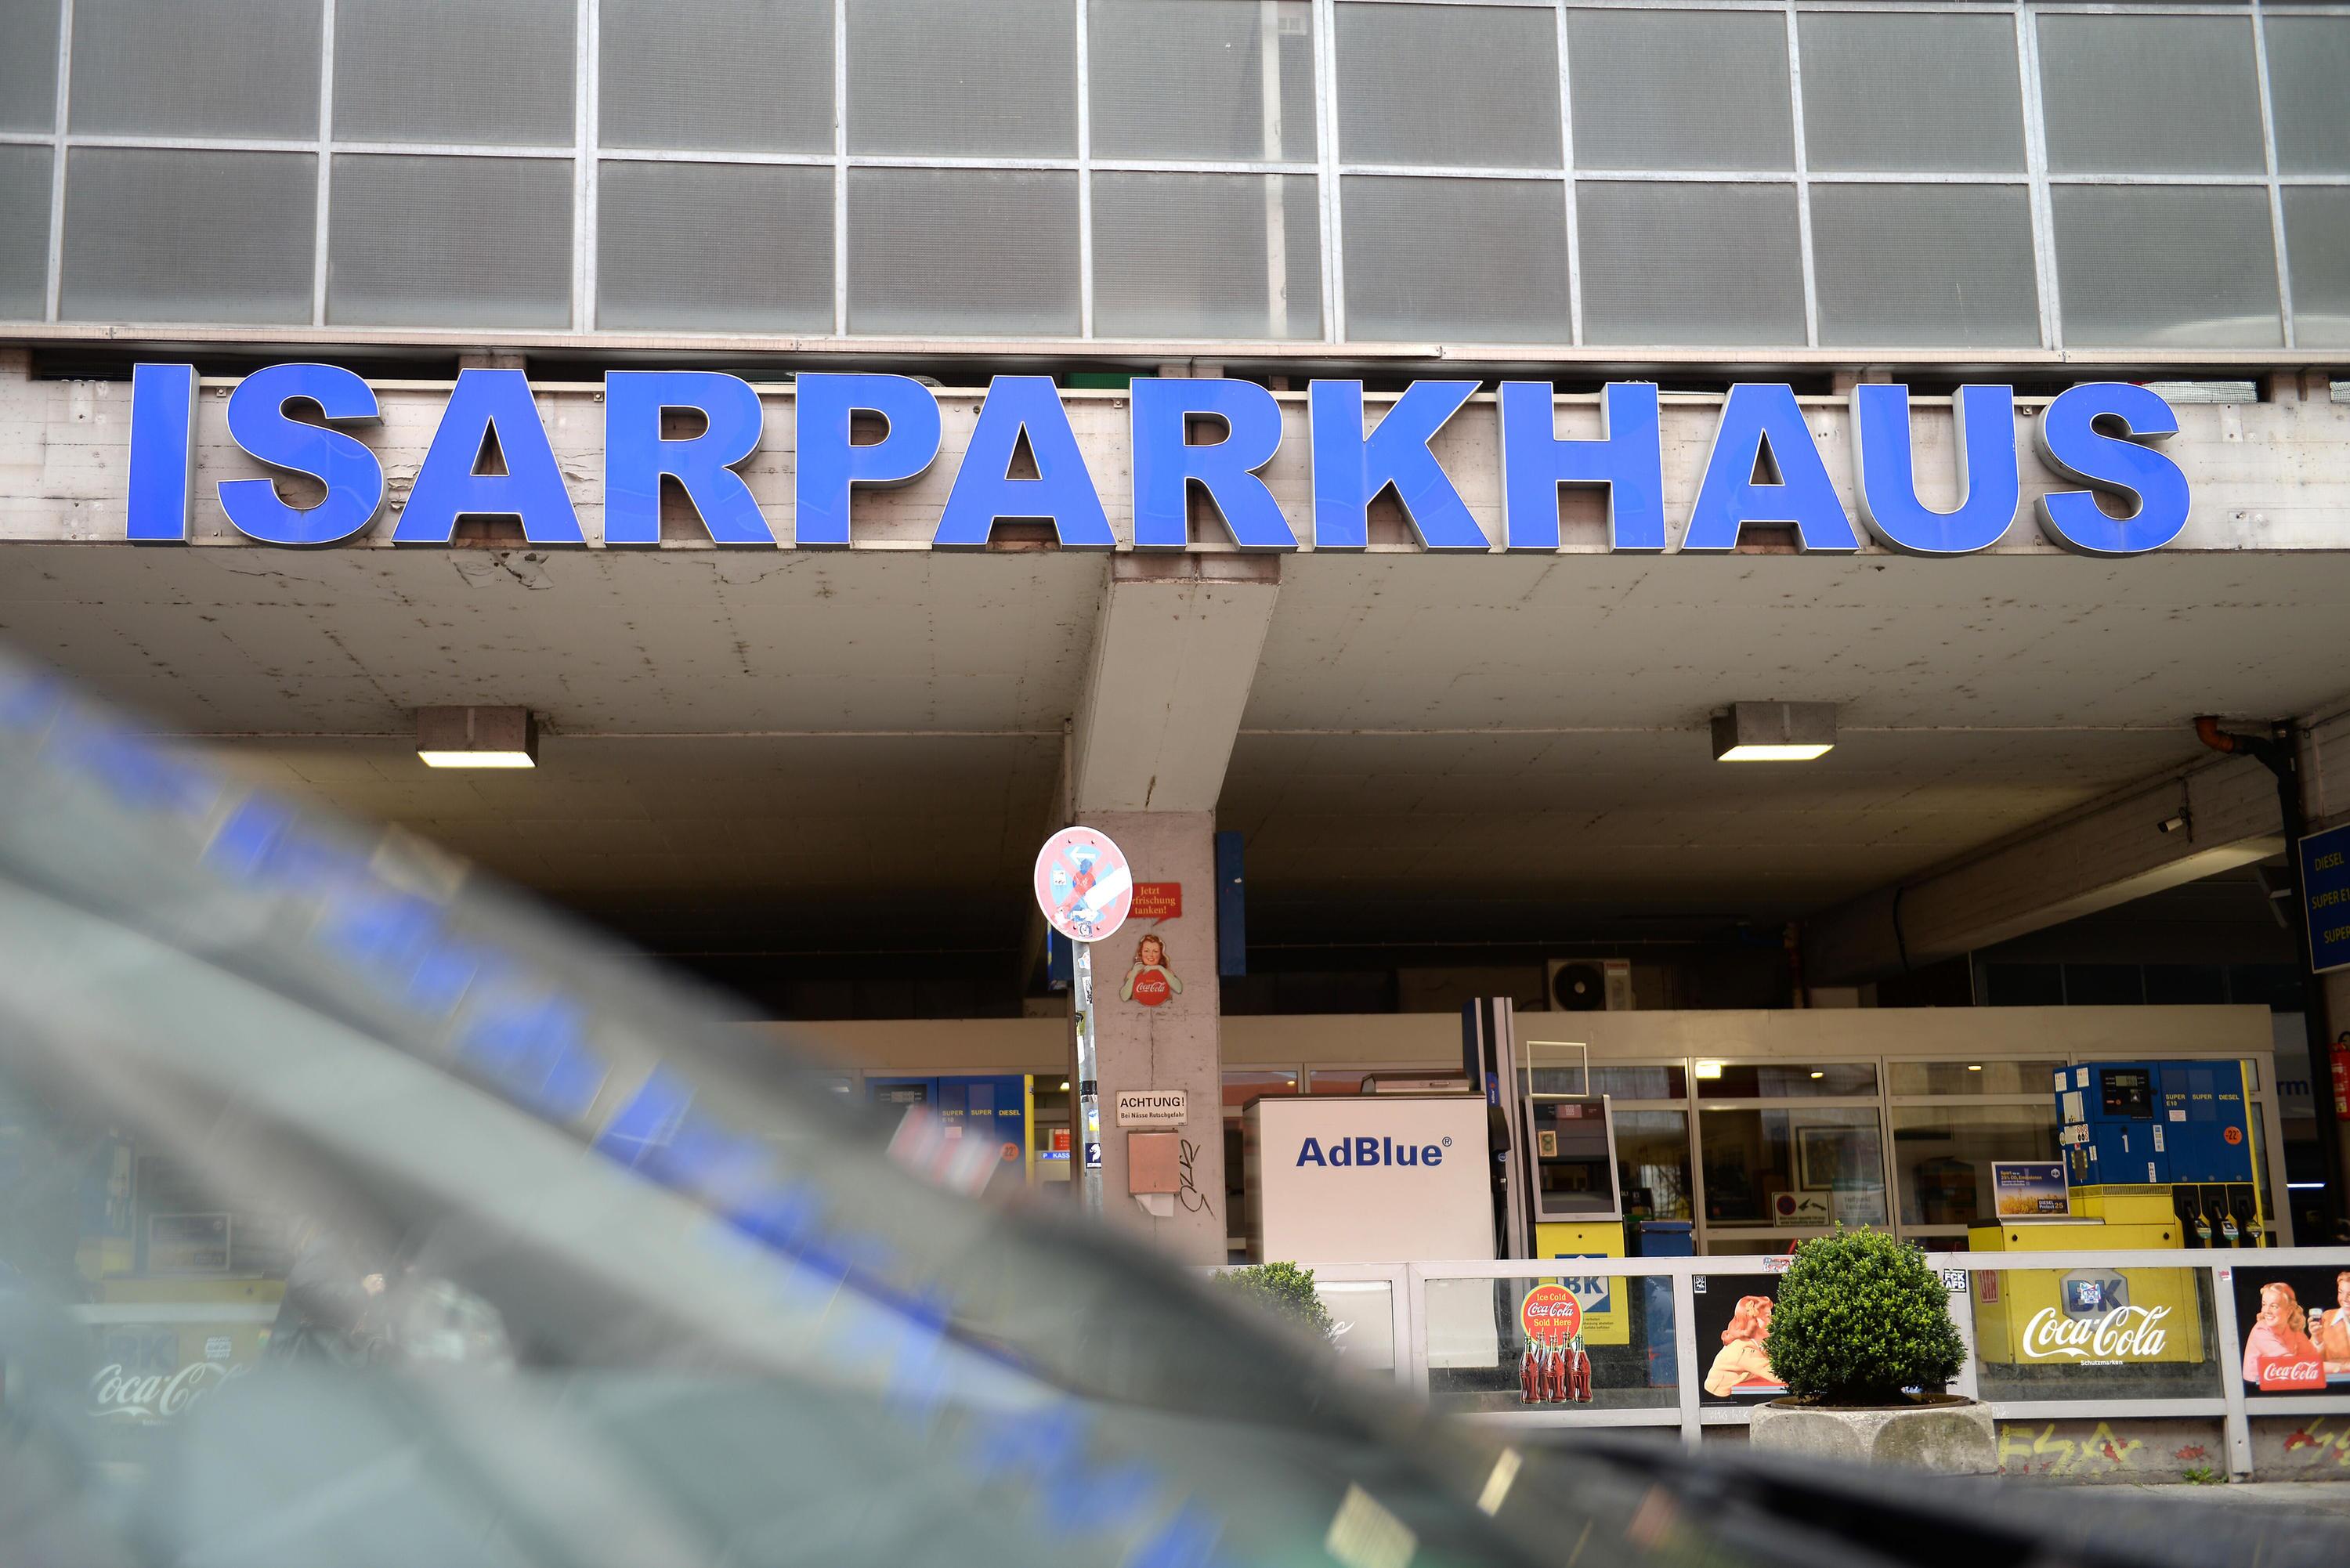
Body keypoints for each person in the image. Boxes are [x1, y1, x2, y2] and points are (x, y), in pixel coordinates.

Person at [265, 1212, 393, 1367]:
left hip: (309, 1356)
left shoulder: (351, 1249)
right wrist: (361, 1292)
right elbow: (303, 1288)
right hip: (298, 1356)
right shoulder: (331, 1242)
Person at [2240, 1281, 2323, 1384]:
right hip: (2255, 1388)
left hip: (2283, 1385)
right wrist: (2337, 1367)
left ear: (2289, 1311)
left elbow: (2313, 1359)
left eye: (2274, 1306)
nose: (2267, 1311)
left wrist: (2318, 1338)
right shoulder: (2260, 1331)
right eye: (2264, 1305)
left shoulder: (2292, 1330)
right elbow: (2287, 1363)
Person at [1702, 1295, 1781, 1396]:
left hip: (1738, 1390)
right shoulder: (1745, 1350)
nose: (1773, 1321)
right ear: (1753, 1321)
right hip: (1719, 1396)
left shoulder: (1757, 1343)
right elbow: (1776, 1375)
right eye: (1768, 1317)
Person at [1120, 933, 1182, 1003]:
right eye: (1146, 951)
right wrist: (1134, 974)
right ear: (1141, 953)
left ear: (1160, 954)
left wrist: (1160, 968)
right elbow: (1124, 997)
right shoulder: (1133, 973)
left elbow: (1179, 989)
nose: (1151, 955)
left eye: (1155, 951)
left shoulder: (1166, 972)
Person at [2312, 1271, 2350, 1375]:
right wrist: (2317, 1340)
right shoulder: (2327, 1318)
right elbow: (2312, 1365)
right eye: (2340, 1292)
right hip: (2334, 1382)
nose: (2344, 1299)